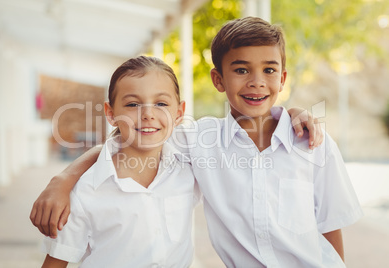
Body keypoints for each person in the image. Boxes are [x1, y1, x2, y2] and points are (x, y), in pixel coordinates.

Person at [29, 17, 344, 267]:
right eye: (241, 69)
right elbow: (129, 143)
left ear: (282, 79)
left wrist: (295, 113)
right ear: (218, 80)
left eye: (269, 70)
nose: (257, 81)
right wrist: (64, 178)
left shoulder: (313, 142)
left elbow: (331, 226)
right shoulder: (200, 140)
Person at [40, 56, 200, 267]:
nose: (148, 114)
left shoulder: (191, 167)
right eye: (133, 104)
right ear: (111, 113)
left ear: (178, 113)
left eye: (161, 103)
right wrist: (64, 179)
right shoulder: (85, 192)